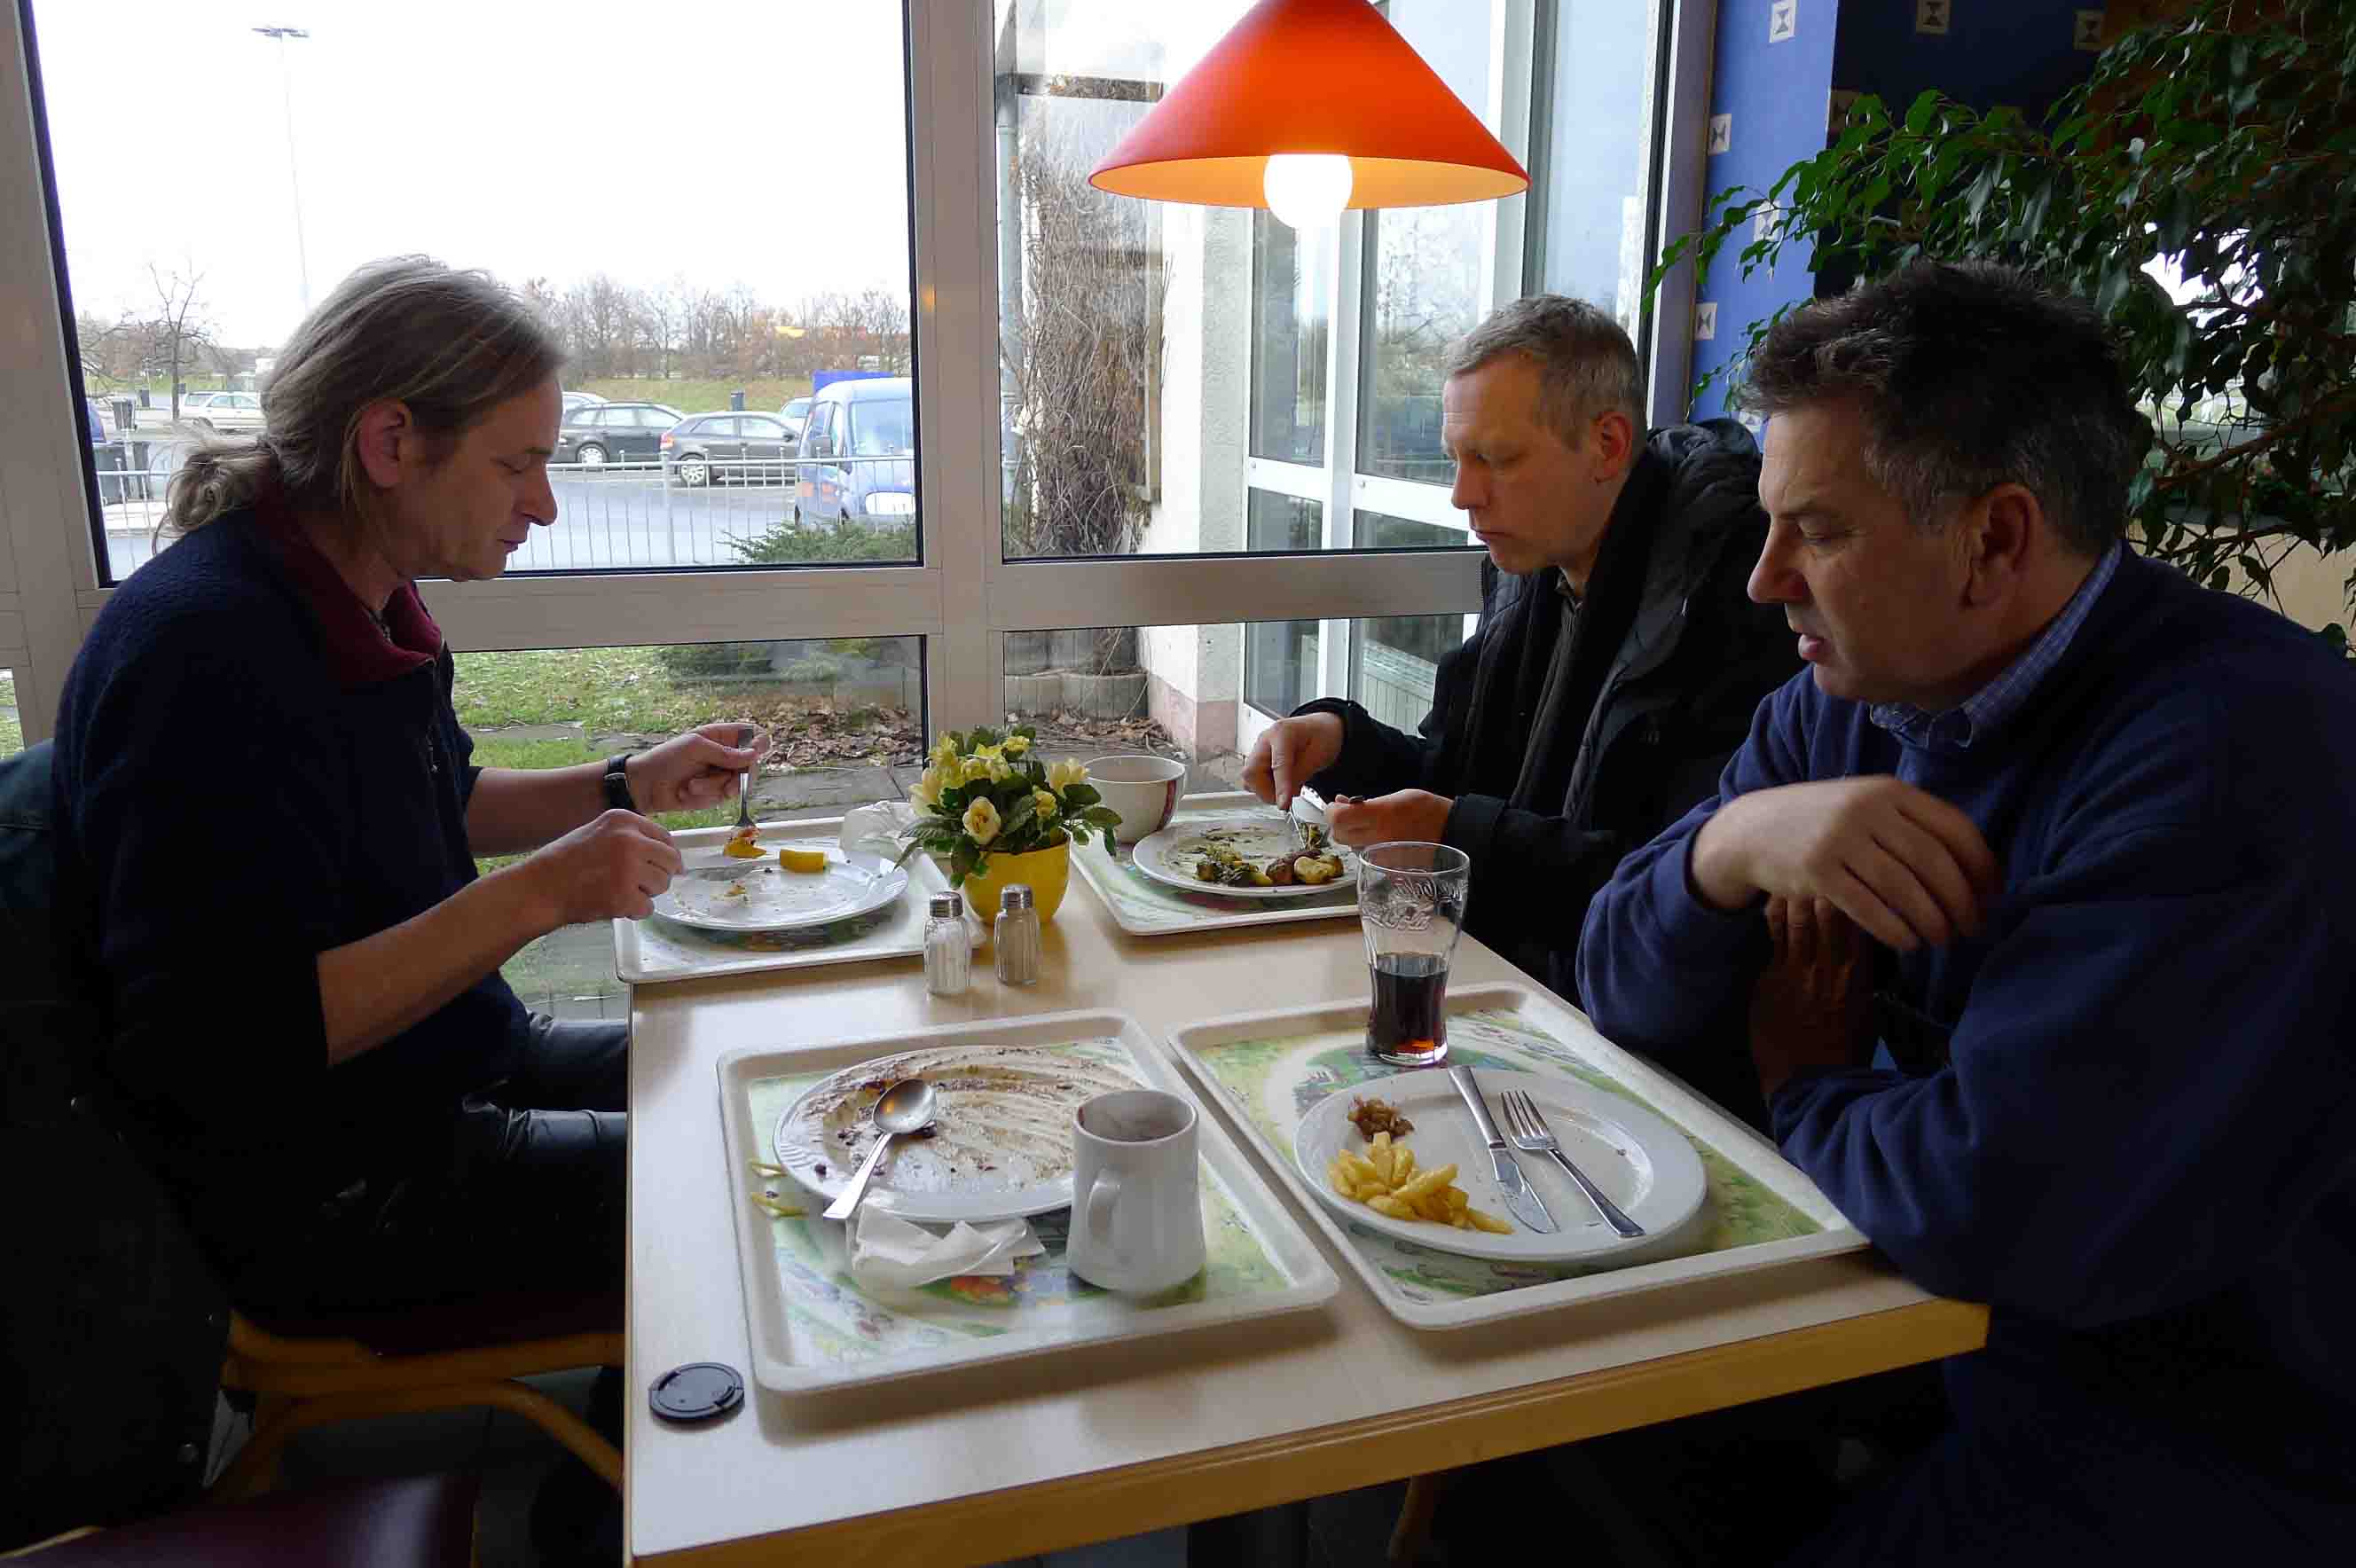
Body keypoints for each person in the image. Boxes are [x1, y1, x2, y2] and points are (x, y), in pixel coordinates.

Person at [1578, 261, 2356, 1560]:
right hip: (1941, 1347)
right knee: (1564, 1470)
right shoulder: (1848, 699)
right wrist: (1729, 844)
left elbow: (1993, 1200)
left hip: (2201, 1444)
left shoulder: (2234, 759)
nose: (1765, 581)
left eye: (1817, 532)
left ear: (1994, 541)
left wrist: (1808, 1080)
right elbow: (1616, 981)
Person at [51, 257, 763, 1343]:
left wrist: (626, 781)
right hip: (338, 1190)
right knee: (740, 1181)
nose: (545, 504)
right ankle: (635, 1442)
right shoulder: (207, 655)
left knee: (749, 1082)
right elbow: (218, 1047)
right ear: (389, 442)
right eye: (516, 464)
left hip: (455, 1060)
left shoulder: (355, 601)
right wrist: (538, 895)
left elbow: (439, 799)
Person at [1243, 296, 1796, 1073]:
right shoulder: (1530, 565)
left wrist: (1456, 831)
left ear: (1607, 445)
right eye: (1456, 458)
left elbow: (1673, 890)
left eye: (1497, 460)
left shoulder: (1733, 599)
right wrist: (1340, 740)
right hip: (1501, 991)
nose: (1462, 495)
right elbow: (1457, 775)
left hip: (1631, 1052)